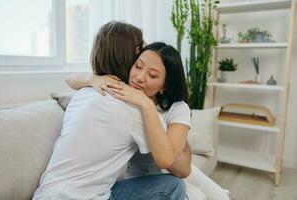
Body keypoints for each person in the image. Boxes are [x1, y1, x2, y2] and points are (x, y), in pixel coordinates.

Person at [67, 22, 231, 200]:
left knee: (210, 195)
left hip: (166, 173)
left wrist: (146, 105)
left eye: (153, 75)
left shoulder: (174, 108)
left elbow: (181, 168)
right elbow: (71, 79)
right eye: (138, 66)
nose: (139, 77)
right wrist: (93, 79)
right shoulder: (120, 94)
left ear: (164, 85)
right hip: (136, 179)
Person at [32, 21, 187, 200]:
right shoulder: (134, 109)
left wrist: (91, 79)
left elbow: (72, 80)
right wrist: (145, 104)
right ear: (131, 55)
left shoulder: (85, 92)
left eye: (152, 75)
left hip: (46, 193)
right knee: (172, 186)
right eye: (139, 61)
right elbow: (168, 160)